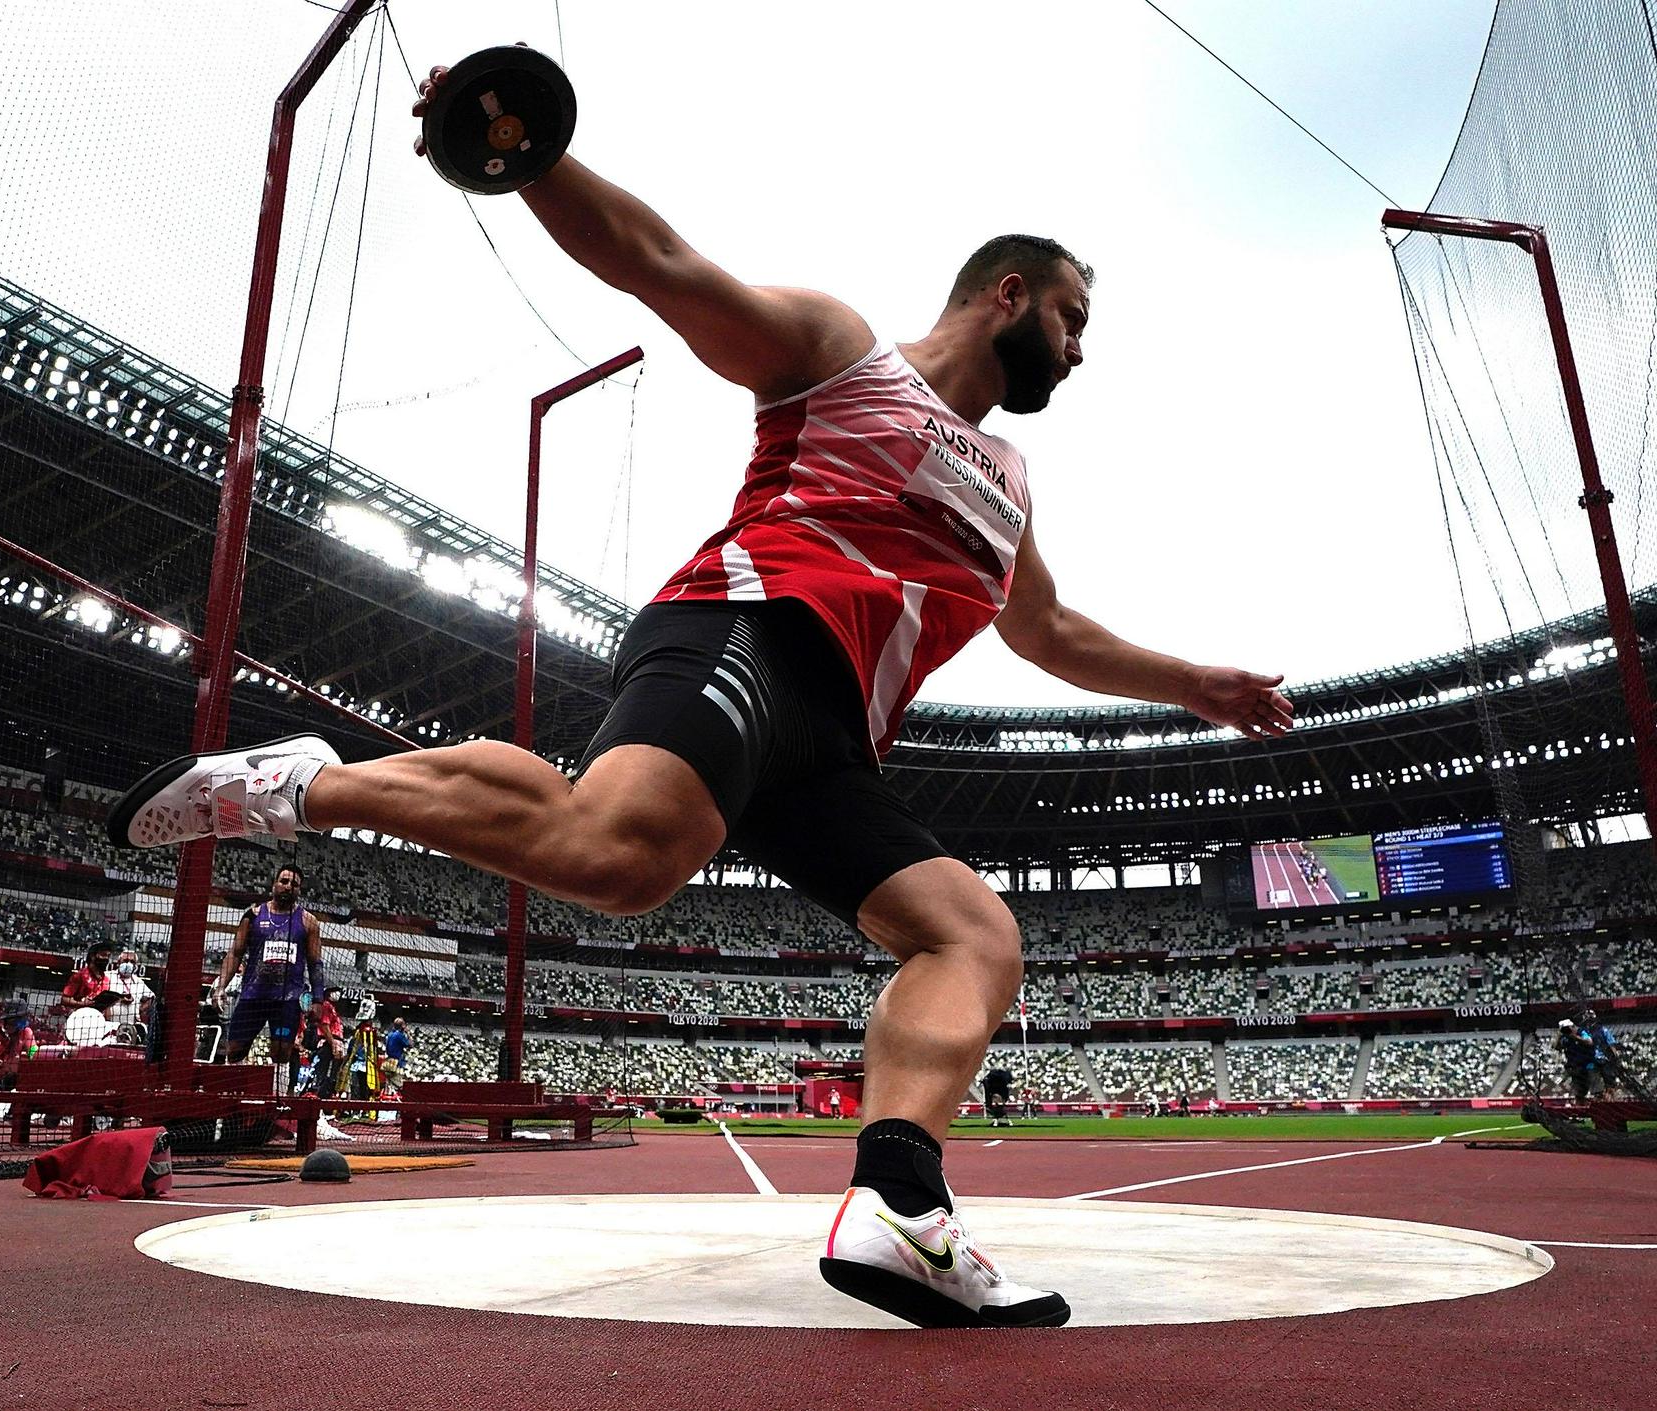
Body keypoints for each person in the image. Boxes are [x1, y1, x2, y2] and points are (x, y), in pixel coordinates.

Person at [107, 74, 1295, 1329]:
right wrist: (522, 151)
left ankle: (900, 1203)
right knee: (618, 857)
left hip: (832, 741)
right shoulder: (843, 357)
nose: (1077, 344)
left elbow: (1046, 630)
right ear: (1008, 295)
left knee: (973, 935)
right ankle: (296, 782)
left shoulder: (1009, 480)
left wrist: (1189, 684)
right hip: (742, 627)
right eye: (1068, 315)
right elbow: (660, 265)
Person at [213, 865, 325, 1081]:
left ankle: (277, 1103)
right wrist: (220, 987)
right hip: (253, 994)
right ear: (274, 884)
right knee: (235, 1048)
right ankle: (232, 1096)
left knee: (282, 1051)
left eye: (294, 884)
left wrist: (318, 999)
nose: (288, 887)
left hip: (287, 998)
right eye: (284, 881)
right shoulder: (254, 914)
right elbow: (235, 953)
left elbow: (315, 962)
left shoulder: (308, 921)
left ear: (299, 891)